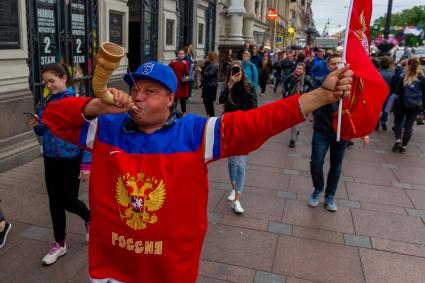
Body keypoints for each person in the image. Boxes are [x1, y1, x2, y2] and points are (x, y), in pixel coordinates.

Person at [42, 60, 353, 282]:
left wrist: (321, 96)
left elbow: (256, 124)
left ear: (170, 98)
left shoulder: (196, 133)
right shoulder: (107, 128)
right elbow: (53, 116)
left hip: (170, 273)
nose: (137, 97)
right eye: (136, 89)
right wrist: (96, 106)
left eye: (151, 91)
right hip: (111, 269)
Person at [29, 63, 91, 265]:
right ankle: (59, 243)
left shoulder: (77, 102)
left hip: (71, 158)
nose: (49, 85)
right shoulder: (46, 102)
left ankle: (89, 217)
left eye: (52, 81)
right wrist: (37, 125)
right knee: (54, 202)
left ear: (64, 78)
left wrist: (86, 163)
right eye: (46, 82)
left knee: (69, 200)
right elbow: (42, 131)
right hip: (50, 157)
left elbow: (88, 134)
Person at [307, 54, 363, 212]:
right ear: (328, 65)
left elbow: (357, 105)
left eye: (340, 63)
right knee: (316, 163)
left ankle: (330, 195)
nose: (337, 66)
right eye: (333, 64)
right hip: (322, 129)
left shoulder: (351, 84)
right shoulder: (320, 81)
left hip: (342, 131)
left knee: (336, 166)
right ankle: (318, 188)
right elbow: (310, 98)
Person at [221, 61, 258, 213]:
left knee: (241, 164)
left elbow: (254, 109)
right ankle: (234, 187)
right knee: (231, 162)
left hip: (243, 129)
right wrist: (229, 85)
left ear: (243, 72)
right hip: (229, 128)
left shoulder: (249, 87)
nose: (236, 73)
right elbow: (221, 101)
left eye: (238, 71)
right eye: (233, 71)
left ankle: (237, 200)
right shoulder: (227, 86)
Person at [392, 57, 425, 154]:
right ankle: (404, 146)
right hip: (415, 106)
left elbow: (396, 93)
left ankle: (398, 140)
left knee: (398, 122)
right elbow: (424, 96)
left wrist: (391, 106)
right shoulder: (422, 79)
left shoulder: (402, 76)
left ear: (408, 65)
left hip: (401, 105)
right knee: (409, 126)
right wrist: (423, 110)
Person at [282, 62, 313, 147]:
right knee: (292, 120)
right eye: (297, 68)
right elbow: (284, 83)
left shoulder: (306, 78)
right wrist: (287, 91)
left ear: (303, 70)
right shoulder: (291, 76)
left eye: (300, 69)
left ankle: (292, 139)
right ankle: (296, 131)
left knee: (296, 120)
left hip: (301, 101)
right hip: (291, 100)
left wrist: (305, 93)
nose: (298, 70)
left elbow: (311, 87)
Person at [377, 56, 396, 130]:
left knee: (378, 108)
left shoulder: (377, 72)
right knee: (386, 108)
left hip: (378, 93)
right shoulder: (393, 73)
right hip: (389, 94)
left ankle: (376, 122)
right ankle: (383, 120)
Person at [198, 52, 219, 117]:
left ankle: (211, 116)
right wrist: (202, 65)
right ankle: (209, 114)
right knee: (205, 101)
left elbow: (209, 75)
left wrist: (200, 71)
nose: (207, 57)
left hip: (211, 86)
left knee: (209, 102)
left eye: (208, 56)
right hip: (207, 85)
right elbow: (205, 69)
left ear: (211, 57)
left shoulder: (214, 65)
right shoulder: (210, 64)